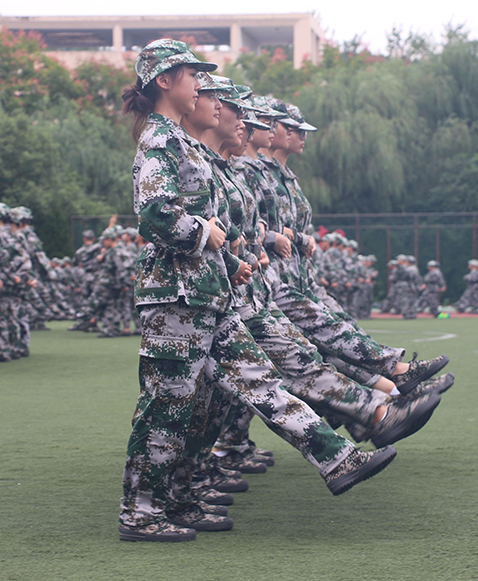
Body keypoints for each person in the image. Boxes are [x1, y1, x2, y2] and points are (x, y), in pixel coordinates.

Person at [117, 42, 402, 543]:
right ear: (165, 81)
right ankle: (141, 511)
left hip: (209, 292)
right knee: (168, 407)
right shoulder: (159, 140)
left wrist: (229, 260)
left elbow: (207, 230)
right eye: (193, 77)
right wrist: (207, 235)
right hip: (174, 301)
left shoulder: (183, 143)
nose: (200, 86)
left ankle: (336, 458)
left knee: (259, 381)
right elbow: (155, 214)